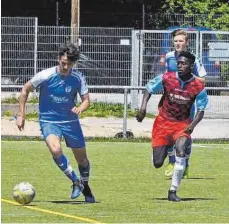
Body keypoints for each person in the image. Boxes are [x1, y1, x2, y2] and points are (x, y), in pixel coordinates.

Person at [16, 43, 95, 203]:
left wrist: (80, 107)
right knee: (56, 149)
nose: (66, 66)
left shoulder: (77, 77)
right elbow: (25, 90)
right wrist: (21, 114)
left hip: (71, 121)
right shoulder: (45, 75)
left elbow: (86, 100)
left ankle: (85, 185)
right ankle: (75, 181)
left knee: (82, 161)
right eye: (63, 62)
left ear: (74, 63)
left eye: (69, 64)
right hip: (49, 120)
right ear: (59, 59)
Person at [136, 51, 208, 201]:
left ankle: (173, 191)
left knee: (181, 150)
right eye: (179, 63)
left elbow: (201, 110)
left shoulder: (198, 86)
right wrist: (142, 108)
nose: (180, 66)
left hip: (182, 124)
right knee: (157, 163)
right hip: (163, 123)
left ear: (191, 66)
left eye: (184, 63)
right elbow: (149, 88)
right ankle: (168, 147)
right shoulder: (167, 78)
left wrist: (192, 125)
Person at [160, 29, 207, 178]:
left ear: (186, 43)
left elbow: (203, 80)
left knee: (185, 133)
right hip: (170, 101)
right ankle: (172, 161)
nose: (178, 43)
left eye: (181, 41)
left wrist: (186, 76)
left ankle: (185, 163)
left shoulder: (193, 59)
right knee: (167, 132)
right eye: (176, 41)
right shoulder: (168, 57)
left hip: (186, 103)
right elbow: (167, 77)